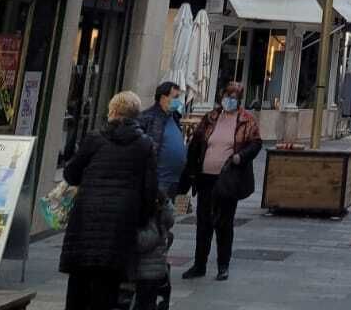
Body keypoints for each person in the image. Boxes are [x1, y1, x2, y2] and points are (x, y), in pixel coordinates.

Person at [59, 90, 158, 310]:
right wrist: (140, 220)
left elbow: (71, 174)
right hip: (119, 226)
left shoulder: (94, 139)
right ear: (136, 116)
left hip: (86, 221)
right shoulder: (144, 145)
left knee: (78, 286)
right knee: (106, 290)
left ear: (112, 111)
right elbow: (149, 191)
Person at [180, 81, 262, 282]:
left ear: (239, 100)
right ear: (221, 96)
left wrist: (240, 157)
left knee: (224, 223)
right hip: (205, 178)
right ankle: (199, 264)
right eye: (227, 95)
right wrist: (190, 172)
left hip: (227, 179)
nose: (229, 100)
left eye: (234, 97)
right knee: (203, 222)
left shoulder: (246, 120)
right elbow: (197, 143)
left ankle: (223, 265)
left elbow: (256, 144)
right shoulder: (211, 118)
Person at [134, 82, 187, 310]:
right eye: (175, 97)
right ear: (162, 97)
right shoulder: (148, 118)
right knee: (153, 227)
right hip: (157, 183)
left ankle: (157, 264)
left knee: (165, 226)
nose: (178, 101)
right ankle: (149, 269)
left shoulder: (173, 118)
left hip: (171, 183)